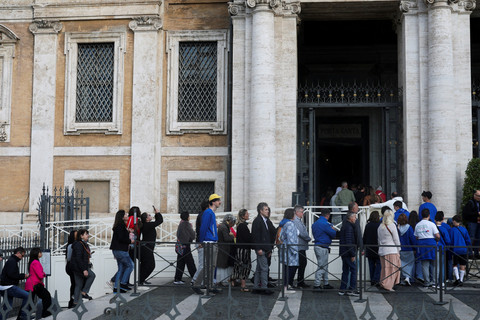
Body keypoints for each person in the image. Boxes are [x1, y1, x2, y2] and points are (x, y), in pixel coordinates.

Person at [192, 194, 222, 295]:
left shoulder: (210, 213)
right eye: (218, 200)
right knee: (207, 265)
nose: (220, 202)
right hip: (208, 242)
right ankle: (197, 284)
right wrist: (201, 241)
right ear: (213, 202)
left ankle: (210, 286)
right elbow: (203, 228)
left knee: (211, 265)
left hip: (212, 241)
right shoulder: (208, 213)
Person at [251, 202, 274, 295]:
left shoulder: (266, 221)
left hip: (265, 248)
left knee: (259, 268)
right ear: (261, 211)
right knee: (264, 268)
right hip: (261, 248)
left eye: (268, 209)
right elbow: (255, 236)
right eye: (266, 209)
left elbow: (268, 236)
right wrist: (258, 248)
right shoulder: (257, 221)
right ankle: (264, 287)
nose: (268, 211)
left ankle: (256, 287)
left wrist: (269, 249)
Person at [0, 247, 29, 320]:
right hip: (8, 287)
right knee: (27, 296)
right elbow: (12, 274)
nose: (22, 258)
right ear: (18, 253)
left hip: (5, 287)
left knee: (7, 307)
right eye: (22, 256)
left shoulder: (11, 260)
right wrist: (23, 276)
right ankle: (23, 316)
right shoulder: (12, 261)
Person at [414, 209, 440, 287]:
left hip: (422, 245)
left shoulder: (417, 225)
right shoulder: (432, 224)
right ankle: (435, 282)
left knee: (424, 265)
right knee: (435, 265)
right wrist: (437, 240)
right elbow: (437, 235)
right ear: (429, 215)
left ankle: (427, 282)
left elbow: (416, 236)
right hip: (431, 244)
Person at [312, 209, 336, 290]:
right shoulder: (325, 224)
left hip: (317, 245)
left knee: (323, 266)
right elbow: (333, 234)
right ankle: (317, 284)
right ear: (328, 215)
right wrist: (332, 228)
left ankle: (326, 283)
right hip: (323, 247)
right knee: (322, 266)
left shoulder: (315, 223)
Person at [110, 210, 134, 293]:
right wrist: (130, 241)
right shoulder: (120, 226)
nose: (127, 215)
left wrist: (128, 232)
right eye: (125, 214)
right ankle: (123, 284)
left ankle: (116, 287)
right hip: (121, 250)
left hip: (117, 250)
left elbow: (120, 236)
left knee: (121, 268)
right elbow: (121, 238)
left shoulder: (120, 226)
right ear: (122, 217)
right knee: (130, 265)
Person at [377, 210, 401, 291]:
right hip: (392, 250)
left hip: (382, 250)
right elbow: (396, 239)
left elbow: (379, 239)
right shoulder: (392, 225)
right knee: (392, 269)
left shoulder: (380, 226)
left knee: (385, 268)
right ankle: (388, 285)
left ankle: (383, 282)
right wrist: (399, 249)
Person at [25, 248, 51, 319]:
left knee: (30, 301)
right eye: (40, 252)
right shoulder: (36, 262)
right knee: (47, 296)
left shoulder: (31, 261)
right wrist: (44, 274)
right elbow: (40, 275)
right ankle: (45, 313)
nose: (41, 253)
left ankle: (26, 315)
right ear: (36, 253)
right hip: (35, 285)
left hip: (31, 285)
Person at [71, 229, 96, 304]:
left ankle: (75, 302)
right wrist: (84, 269)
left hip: (77, 268)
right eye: (86, 234)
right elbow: (79, 258)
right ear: (81, 236)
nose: (87, 235)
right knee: (92, 275)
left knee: (78, 284)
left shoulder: (82, 244)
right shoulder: (79, 244)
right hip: (79, 268)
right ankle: (84, 292)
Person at [139, 208, 163, 285]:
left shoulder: (147, 225)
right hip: (147, 248)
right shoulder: (148, 225)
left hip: (146, 247)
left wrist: (156, 214)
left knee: (145, 265)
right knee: (151, 265)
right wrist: (157, 213)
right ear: (146, 219)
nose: (150, 216)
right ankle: (141, 280)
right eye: (149, 215)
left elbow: (157, 222)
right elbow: (159, 221)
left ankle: (141, 280)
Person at [338, 212, 359, 296]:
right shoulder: (349, 227)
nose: (355, 219)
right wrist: (352, 254)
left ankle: (342, 289)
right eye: (354, 217)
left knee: (346, 270)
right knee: (353, 269)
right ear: (350, 218)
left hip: (344, 252)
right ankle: (351, 289)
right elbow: (349, 241)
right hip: (347, 252)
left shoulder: (345, 226)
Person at [279, 208, 299, 292]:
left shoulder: (285, 223)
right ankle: (287, 286)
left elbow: (281, 236)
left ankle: (286, 286)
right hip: (290, 250)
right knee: (290, 268)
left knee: (286, 267)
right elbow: (291, 238)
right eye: (294, 213)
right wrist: (295, 250)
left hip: (285, 248)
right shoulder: (290, 224)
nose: (295, 215)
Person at [174, 211, 197, 285]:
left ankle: (177, 279)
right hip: (185, 246)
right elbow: (193, 235)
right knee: (190, 263)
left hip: (180, 246)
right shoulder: (187, 224)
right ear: (187, 217)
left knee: (181, 262)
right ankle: (195, 278)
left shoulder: (181, 223)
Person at [232, 209, 252, 292]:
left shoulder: (240, 225)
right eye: (247, 214)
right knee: (244, 266)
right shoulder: (242, 226)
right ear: (243, 216)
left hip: (241, 248)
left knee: (239, 266)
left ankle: (233, 280)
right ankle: (243, 285)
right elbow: (247, 238)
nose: (248, 215)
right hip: (243, 249)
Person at [292, 205, 311, 288]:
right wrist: (308, 238)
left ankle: (300, 281)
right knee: (301, 264)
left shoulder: (298, 220)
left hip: (301, 246)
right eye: (302, 212)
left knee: (302, 263)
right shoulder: (296, 221)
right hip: (299, 246)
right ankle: (299, 282)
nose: (303, 213)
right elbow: (301, 233)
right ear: (297, 212)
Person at [449, 215, 471, 286]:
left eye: (453, 221)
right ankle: (461, 280)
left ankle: (457, 279)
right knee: (463, 264)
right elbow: (468, 240)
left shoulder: (452, 230)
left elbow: (450, 240)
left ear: (455, 221)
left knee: (455, 264)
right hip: (463, 249)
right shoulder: (464, 229)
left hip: (455, 249)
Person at [191, 200, 209, 286]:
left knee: (204, 264)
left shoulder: (202, 215)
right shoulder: (203, 215)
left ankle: (198, 281)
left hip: (202, 241)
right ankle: (195, 281)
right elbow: (202, 229)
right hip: (201, 242)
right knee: (202, 265)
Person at [216, 214, 236, 287]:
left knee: (222, 265)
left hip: (223, 248)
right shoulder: (224, 227)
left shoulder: (223, 226)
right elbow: (226, 238)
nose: (233, 224)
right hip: (223, 248)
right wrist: (232, 236)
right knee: (222, 265)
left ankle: (221, 280)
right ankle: (222, 280)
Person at [363, 211, 381, 286]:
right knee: (379, 264)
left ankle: (372, 279)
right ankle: (376, 279)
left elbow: (365, 236)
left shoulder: (368, 225)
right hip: (377, 247)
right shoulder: (379, 225)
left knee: (371, 264)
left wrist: (363, 247)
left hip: (369, 247)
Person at [397, 213, 416, 286]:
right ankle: (407, 277)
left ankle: (402, 279)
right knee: (409, 264)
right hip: (409, 248)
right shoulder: (409, 228)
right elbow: (412, 239)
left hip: (400, 248)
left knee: (401, 264)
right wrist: (415, 248)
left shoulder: (397, 227)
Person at [434, 211, 451, 288]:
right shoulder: (444, 229)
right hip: (443, 248)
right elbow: (448, 240)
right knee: (442, 266)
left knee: (435, 266)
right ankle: (442, 282)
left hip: (434, 248)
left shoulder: (433, 228)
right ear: (442, 219)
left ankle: (435, 282)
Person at [462, 189, 480, 258]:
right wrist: (477, 213)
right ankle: (469, 253)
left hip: (478, 222)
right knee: (471, 237)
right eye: (478, 196)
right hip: (472, 222)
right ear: (474, 195)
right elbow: (466, 213)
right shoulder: (470, 203)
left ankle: (476, 253)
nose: (479, 197)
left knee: (478, 238)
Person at [65, 230, 77, 308]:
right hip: (71, 267)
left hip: (73, 266)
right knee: (74, 283)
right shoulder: (71, 246)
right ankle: (72, 301)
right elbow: (69, 258)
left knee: (76, 283)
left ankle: (74, 300)